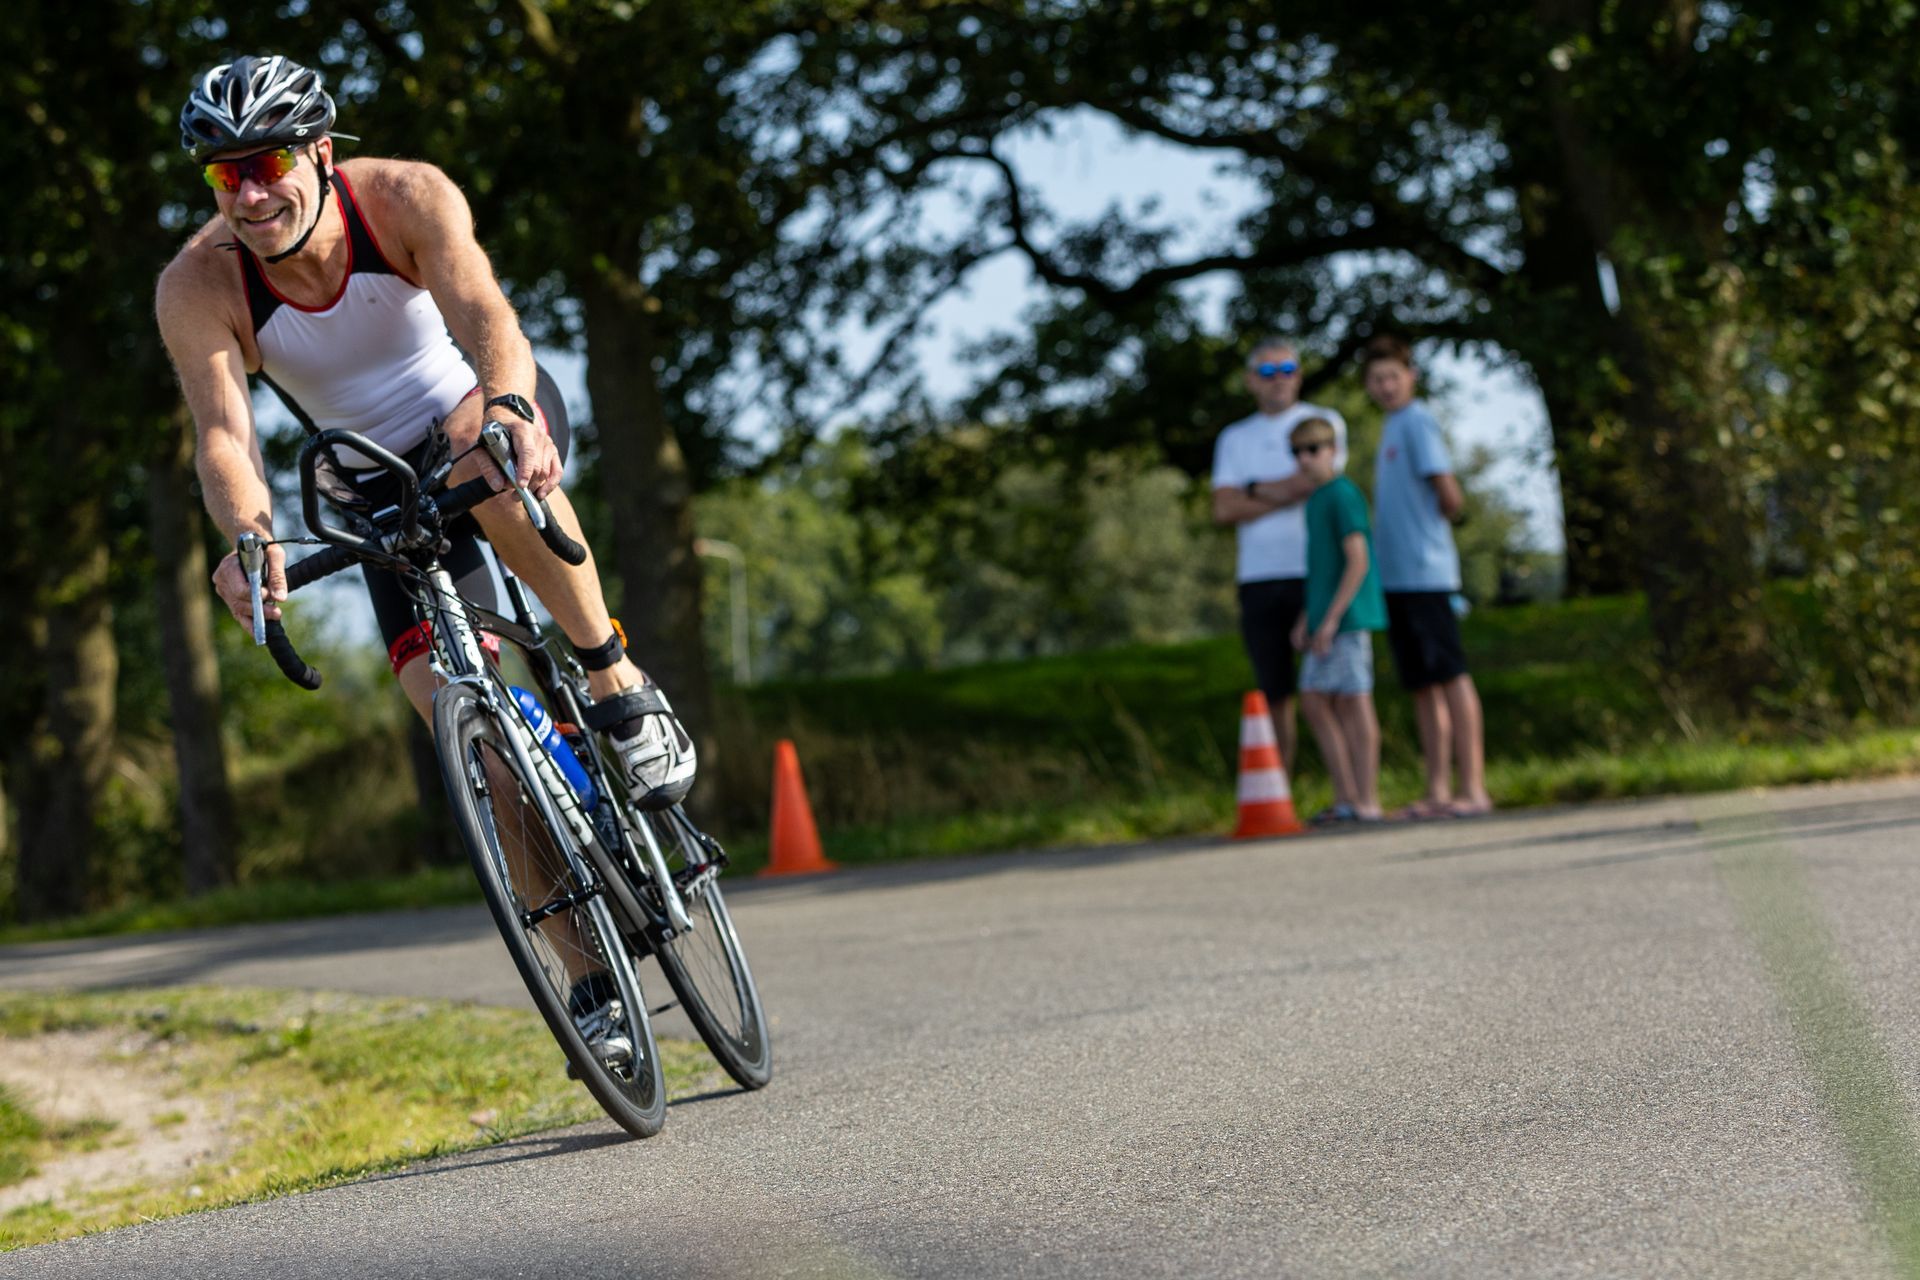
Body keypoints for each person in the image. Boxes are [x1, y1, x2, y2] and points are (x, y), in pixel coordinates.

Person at [155, 56, 688, 1060]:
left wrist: (514, 404)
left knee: (484, 456)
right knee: (465, 728)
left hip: (482, 412)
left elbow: (488, 315)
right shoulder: (199, 283)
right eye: (229, 177)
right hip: (377, 491)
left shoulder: (401, 197)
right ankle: (591, 981)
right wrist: (249, 537)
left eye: (268, 163)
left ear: (318, 150)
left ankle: (615, 682)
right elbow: (223, 434)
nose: (254, 193)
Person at [1361, 336, 1492, 818]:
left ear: (1409, 377)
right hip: (1395, 578)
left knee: (1451, 675)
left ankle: (1473, 788)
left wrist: (1429, 536)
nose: (1386, 386)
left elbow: (1448, 492)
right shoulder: (1391, 426)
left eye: (1393, 377)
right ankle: (1438, 790)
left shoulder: (1417, 420)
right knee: (1421, 684)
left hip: (1426, 573)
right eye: (1377, 380)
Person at [1211, 337, 1348, 773]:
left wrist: (1252, 488)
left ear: (1299, 374)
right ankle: (1278, 792)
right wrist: (1285, 490)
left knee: (1334, 686)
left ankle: (1351, 793)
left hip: (1317, 571)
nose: (1278, 380)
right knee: (1275, 690)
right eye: (1268, 372)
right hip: (1259, 576)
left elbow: (1316, 483)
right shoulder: (1234, 437)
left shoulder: (1322, 421)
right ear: (1252, 380)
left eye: (1287, 369)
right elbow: (1223, 508)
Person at [1286, 417, 1386, 823]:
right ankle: (1346, 797)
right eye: (1297, 451)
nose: (1305, 458)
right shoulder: (1314, 500)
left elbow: (1357, 560)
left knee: (1353, 702)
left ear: (1332, 449)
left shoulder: (1343, 494)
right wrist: (1306, 618)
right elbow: (1321, 569)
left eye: (1313, 449)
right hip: (1324, 618)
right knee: (1313, 699)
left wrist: (1330, 619)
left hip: (1348, 619)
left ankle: (1367, 800)